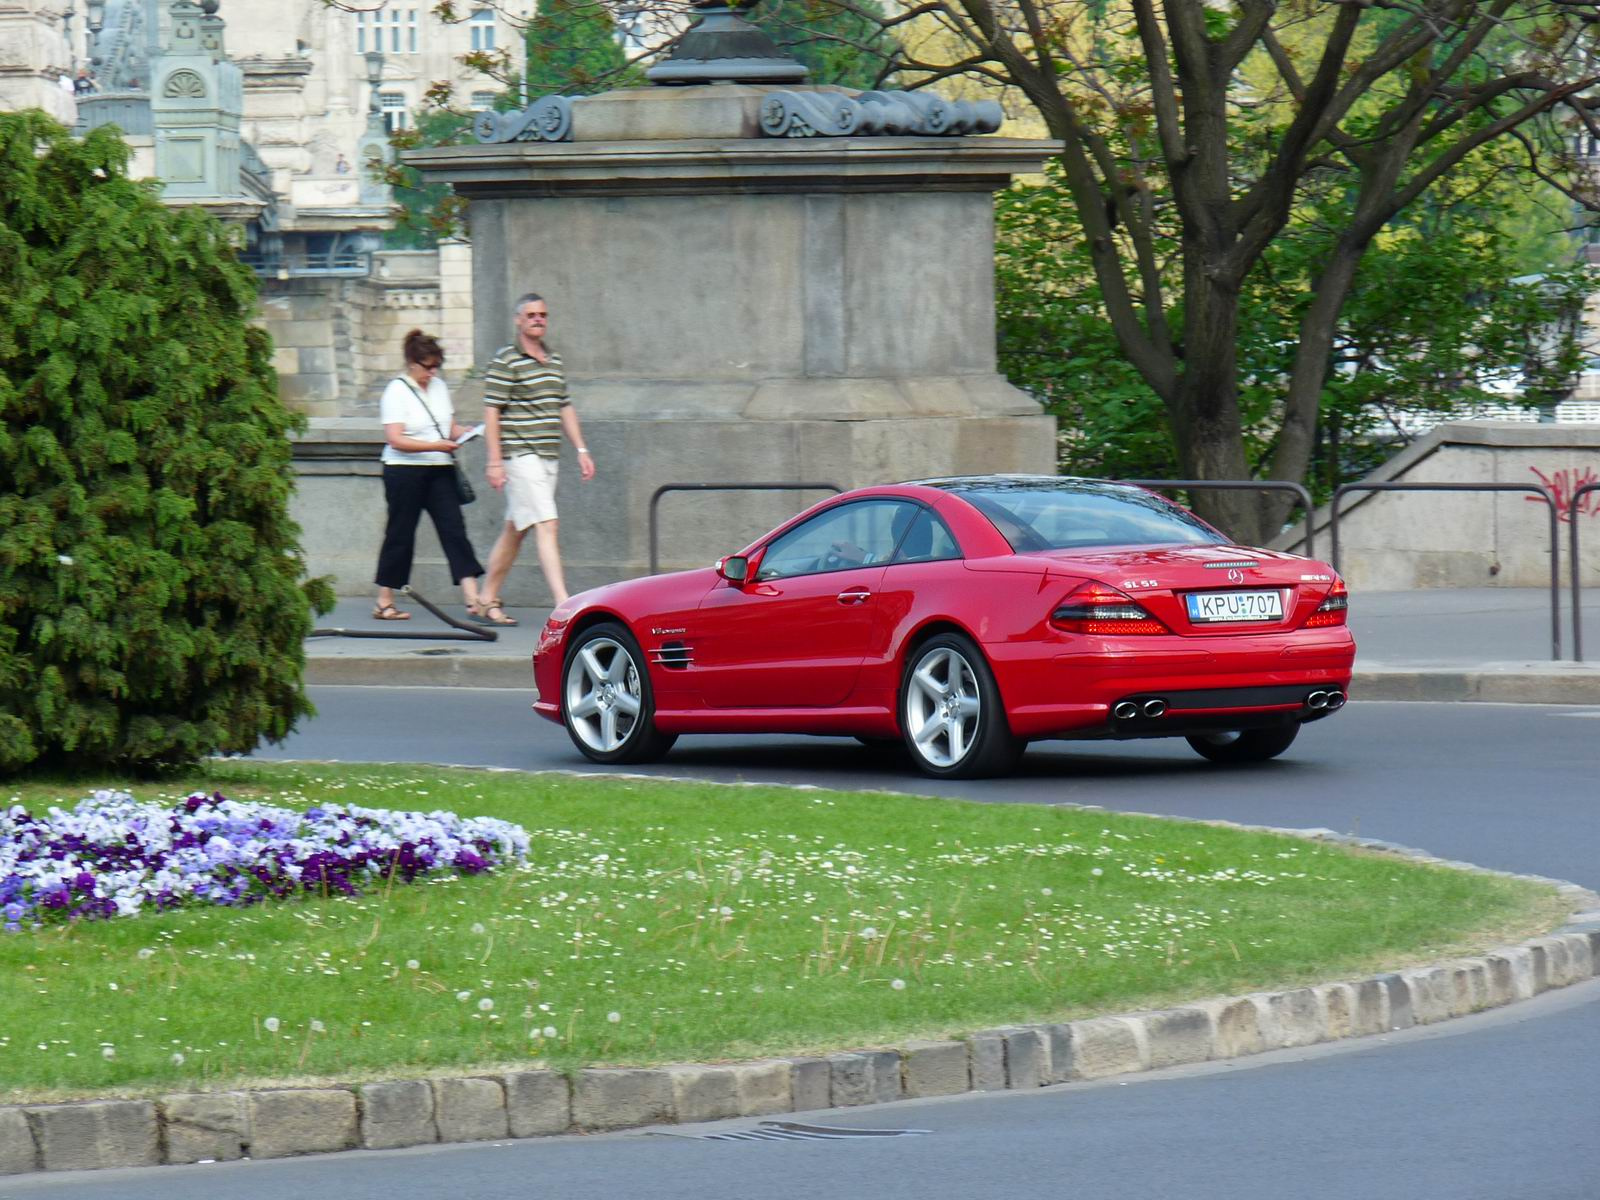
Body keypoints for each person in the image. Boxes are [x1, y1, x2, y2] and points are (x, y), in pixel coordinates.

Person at [478, 293, 594, 624]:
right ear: (518, 320)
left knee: (516, 529)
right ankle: (563, 603)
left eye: (542, 314)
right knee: (547, 523)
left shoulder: (554, 361)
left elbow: (565, 406)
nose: (537, 319)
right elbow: (491, 412)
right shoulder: (506, 361)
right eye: (530, 315)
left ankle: (486, 597)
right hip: (520, 455)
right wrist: (495, 461)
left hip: (548, 457)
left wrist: (581, 449)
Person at [373, 329, 489, 621]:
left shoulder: (438, 387)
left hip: (439, 469)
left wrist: (467, 433)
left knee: (454, 530)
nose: (433, 372)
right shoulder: (396, 391)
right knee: (401, 533)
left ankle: (473, 599)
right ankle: (384, 600)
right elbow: (395, 439)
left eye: (437, 365)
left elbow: (448, 429)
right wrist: (434, 445)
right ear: (412, 363)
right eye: (428, 366)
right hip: (403, 471)